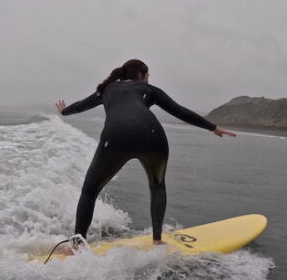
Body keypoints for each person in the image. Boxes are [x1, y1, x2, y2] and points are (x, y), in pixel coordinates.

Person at [55, 59, 235, 250]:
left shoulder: (108, 89)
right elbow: (180, 111)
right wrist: (212, 128)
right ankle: (157, 240)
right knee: (157, 186)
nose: (148, 79)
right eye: (147, 75)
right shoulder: (148, 90)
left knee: (89, 192)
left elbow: (82, 105)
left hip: (115, 137)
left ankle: (76, 246)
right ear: (141, 75)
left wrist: (65, 111)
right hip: (151, 135)